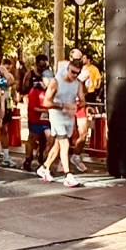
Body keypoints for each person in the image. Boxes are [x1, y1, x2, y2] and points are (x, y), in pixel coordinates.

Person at [41, 57, 85, 186]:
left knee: (58, 145)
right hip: (56, 115)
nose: (74, 75)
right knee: (64, 143)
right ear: (67, 68)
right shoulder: (56, 82)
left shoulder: (78, 83)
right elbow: (46, 102)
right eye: (72, 72)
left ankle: (44, 167)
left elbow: (82, 100)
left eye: (77, 73)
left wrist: (77, 105)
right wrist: (64, 106)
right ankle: (68, 175)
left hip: (68, 116)